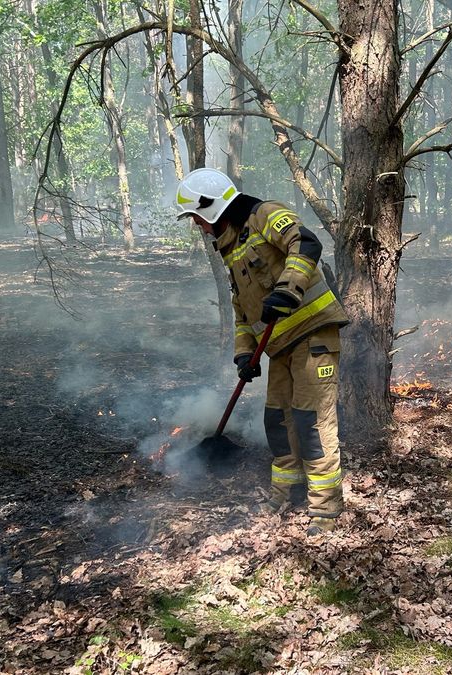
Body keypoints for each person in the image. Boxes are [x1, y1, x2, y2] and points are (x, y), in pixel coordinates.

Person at [175, 168, 349, 536]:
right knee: (277, 420)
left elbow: (306, 243)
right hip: (279, 347)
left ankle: (325, 509)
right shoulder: (231, 246)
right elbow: (243, 311)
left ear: (210, 209)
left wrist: (287, 289)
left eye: (195, 217)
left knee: (312, 422)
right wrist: (243, 353)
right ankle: (285, 490)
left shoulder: (263, 214)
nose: (196, 226)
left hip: (313, 332)